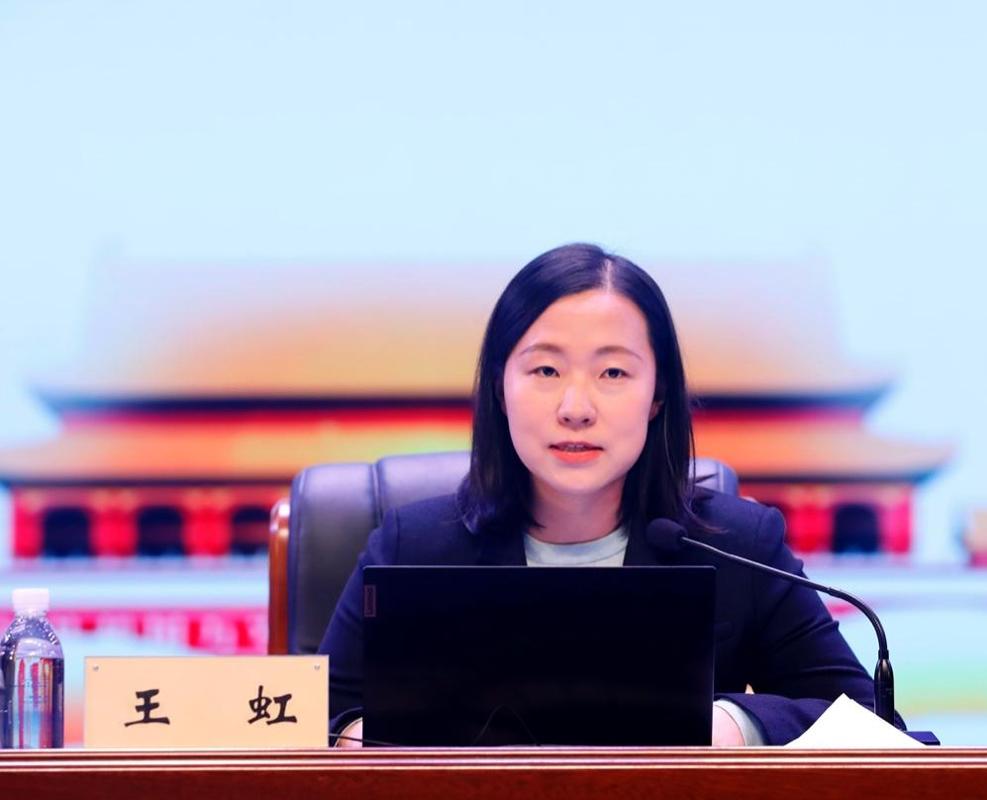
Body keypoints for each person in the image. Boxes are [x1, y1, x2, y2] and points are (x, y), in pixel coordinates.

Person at [319, 242, 892, 746]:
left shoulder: (737, 547)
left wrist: (733, 724)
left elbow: (871, 723)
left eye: (613, 374)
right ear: (499, 387)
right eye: (545, 371)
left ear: (657, 395)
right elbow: (310, 719)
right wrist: (357, 738)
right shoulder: (413, 546)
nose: (576, 408)